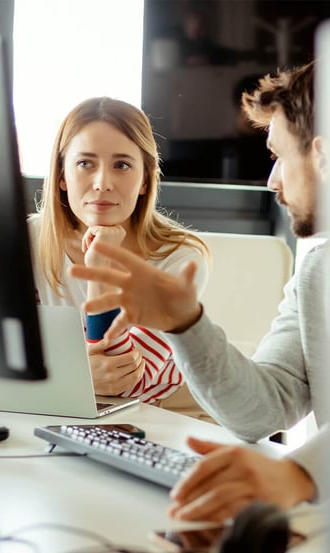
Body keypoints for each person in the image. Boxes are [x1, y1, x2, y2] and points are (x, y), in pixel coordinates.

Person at [69, 62, 329, 522]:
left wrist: (299, 474)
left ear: (323, 157)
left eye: (278, 157)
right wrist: (186, 323)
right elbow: (261, 411)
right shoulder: (319, 273)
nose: (272, 182)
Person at [29, 97, 211, 415]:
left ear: (144, 180)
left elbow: (121, 381)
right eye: (85, 163)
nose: (102, 183)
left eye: (122, 165)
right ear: (61, 176)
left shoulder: (181, 258)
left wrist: (101, 264)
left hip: (167, 409)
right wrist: (73, 375)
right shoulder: (27, 239)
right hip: (63, 403)